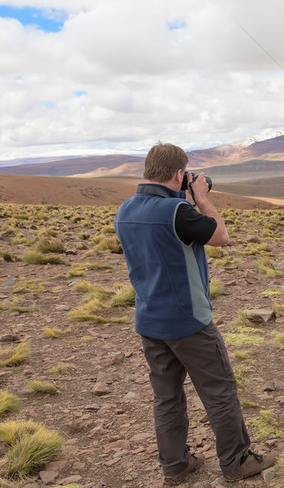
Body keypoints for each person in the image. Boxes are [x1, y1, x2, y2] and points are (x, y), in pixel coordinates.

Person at [114, 143, 274, 484]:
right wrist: (200, 196)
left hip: (149, 320)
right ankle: (237, 461)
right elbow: (221, 236)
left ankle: (175, 465)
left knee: (166, 396)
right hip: (188, 321)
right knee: (219, 390)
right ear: (178, 174)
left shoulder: (125, 210)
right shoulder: (177, 212)